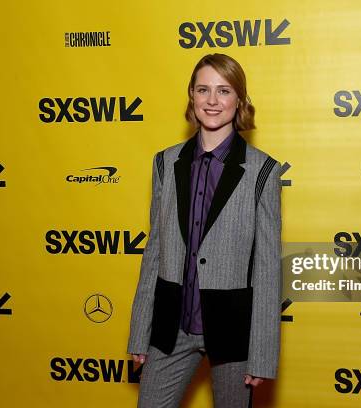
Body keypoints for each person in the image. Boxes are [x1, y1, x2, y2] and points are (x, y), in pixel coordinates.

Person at [127, 53, 282, 408]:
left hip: (233, 331)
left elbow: (268, 268)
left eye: (224, 91)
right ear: (192, 96)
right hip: (171, 326)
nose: (213, 101)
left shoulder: (262, 171)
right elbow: (154, 252)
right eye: (204, 90)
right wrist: (140, 333)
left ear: (239, 100)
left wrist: (261, 355)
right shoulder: (165, 163)